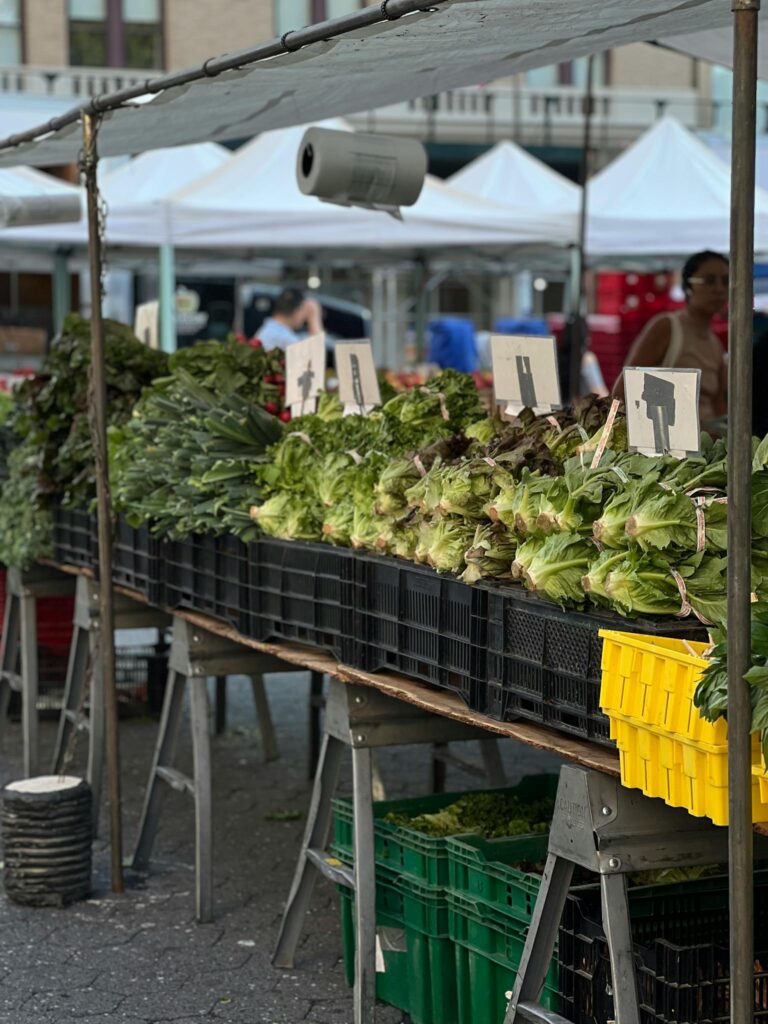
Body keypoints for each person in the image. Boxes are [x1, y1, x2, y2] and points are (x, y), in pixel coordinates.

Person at [612, 250, 729, 424]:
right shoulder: (667, 327)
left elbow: (718, 409)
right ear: (688, 287)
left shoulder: (716, 345)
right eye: (708, 281)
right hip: (666, 445)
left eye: (725, 281)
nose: (719, 289)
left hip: (708, 447)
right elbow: (624, 388)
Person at [257, 288, 323, 350]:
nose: (304, 317)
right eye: (304, 311)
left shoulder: (271, 329)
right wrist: (314, 317)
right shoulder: (282, 336)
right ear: (297, 311)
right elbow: (316, 357)